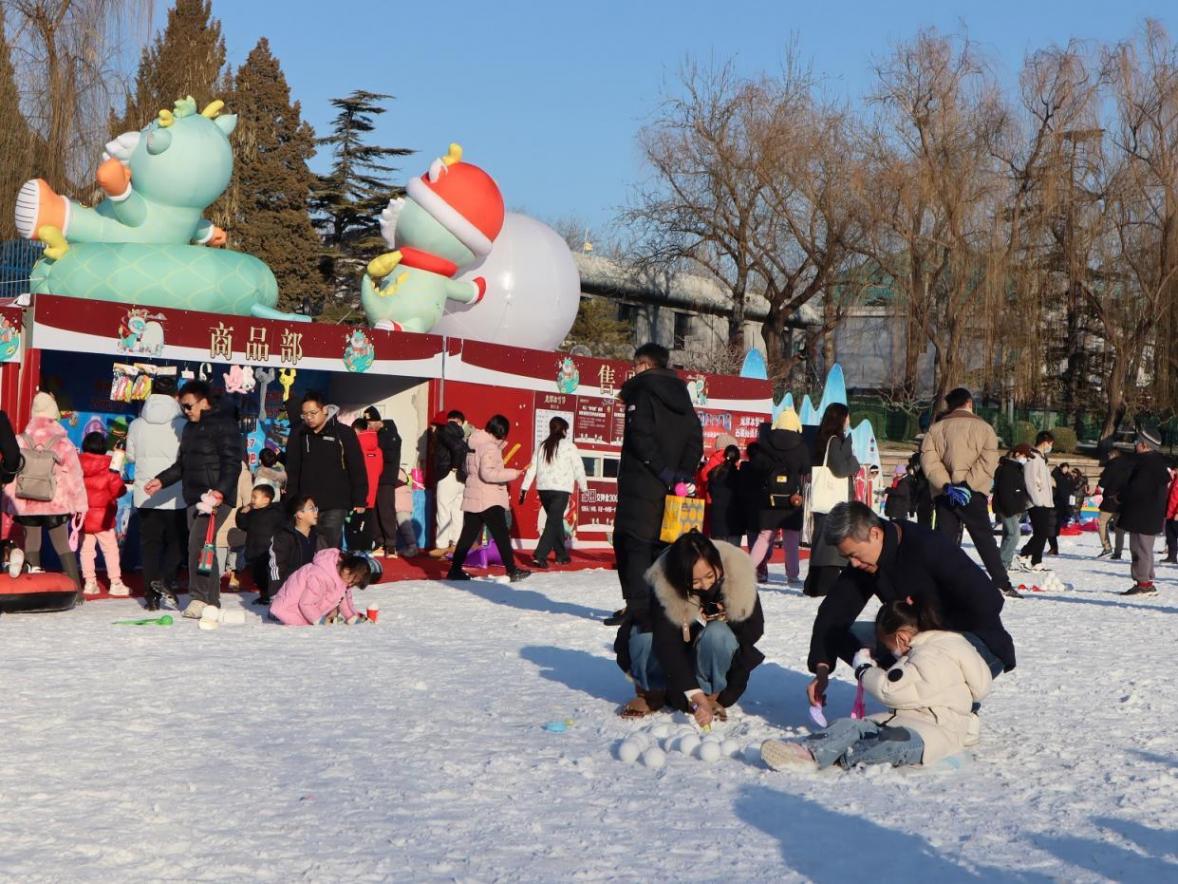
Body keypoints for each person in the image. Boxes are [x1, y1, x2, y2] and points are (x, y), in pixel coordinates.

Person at [804, 501, 1015, 717]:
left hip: (977, 644)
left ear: (875, 533)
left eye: (854, 555)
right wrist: (822, 668)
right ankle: (911, 694)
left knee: (924, 653)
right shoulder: (866, 561)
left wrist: (929, 632)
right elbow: (834, 612)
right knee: (843, 634)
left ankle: (952, 701)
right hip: (914, 644)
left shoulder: (928, 546)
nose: (854, 564)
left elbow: (988, 601)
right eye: (848, 557)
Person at [762, 597, 992, 771]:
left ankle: (827, 753)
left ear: (902, 637)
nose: (891, 652)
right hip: (906, 719)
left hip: (934, 733)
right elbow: (981, 685)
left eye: (888, 644)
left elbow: (891, 690)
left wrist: (864, 670)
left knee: (888, 743)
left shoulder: (924, 656)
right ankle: (810, 752)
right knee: (852, 726)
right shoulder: (956, 644)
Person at [613, 532, 763, 721]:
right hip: (672, 653)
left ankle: (709, 695)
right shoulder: (664, 581)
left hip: (708, 654)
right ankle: (651, 692)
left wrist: (725, 620)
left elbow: (755, 629)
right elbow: (666, 642)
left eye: (710, 575)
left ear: (718, 563)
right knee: (643, 633)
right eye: (695, 581)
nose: (706, 585)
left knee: (718, 634)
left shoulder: (737, 574)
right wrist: (693, 691)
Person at [607, 343, 703, 626]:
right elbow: (695, 436)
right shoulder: (682, 395)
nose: (633, 370)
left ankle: (637, 610)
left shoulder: (641, 390)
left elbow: (641, 437)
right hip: (672, 490)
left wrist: (661, 471)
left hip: (641, 484)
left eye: (636, 365)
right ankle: (658, 606)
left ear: (645, 365)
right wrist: (681, 475)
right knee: (660, 548)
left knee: (631, 544)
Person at [144, 380, 243, 619]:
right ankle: (212, 601)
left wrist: (220, 491)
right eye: (183, 408)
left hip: (216, 498)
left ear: (204, 401)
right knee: (205, 546)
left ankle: (198, 598)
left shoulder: (225, 425)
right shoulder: (189, 429)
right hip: (194, 496)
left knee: (197, 544)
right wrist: (162, 480)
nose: (186, 412)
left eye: (189, 406)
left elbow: (232, 463)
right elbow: (183, 465)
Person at [919, 388, 1012, 596]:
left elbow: (929, 462)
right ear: (969, 402)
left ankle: (940, 582)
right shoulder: (985, 428)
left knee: (945, 540)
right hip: (973, 493)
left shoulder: (936, 429)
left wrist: (946, 485)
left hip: (945, 494)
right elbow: (988, 461)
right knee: (984, 538)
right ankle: (1001, 582)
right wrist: (967, 485)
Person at [4, 392, 86, 590]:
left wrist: (7, 503)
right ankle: (76, 589)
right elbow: (76, 476)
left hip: (26, 502)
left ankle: (35, 588)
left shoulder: (20, 440)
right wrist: (80, 504)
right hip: (55, 504)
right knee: (62, 545)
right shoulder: (63, 442)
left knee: (32, 544)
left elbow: (11, 471)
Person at [125, 374, 186, 609]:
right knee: (177, 542)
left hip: (145, 492)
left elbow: (130, 456)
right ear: (175, 396)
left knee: (150, 545)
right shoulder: (182, 425)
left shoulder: (137, 424)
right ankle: (164, 579)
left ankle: (150, 597)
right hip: (175, 493)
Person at [446, 414, 530, 582]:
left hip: (474, 495)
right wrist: (514, 473)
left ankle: (455, 570)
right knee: (501, 536)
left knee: (467, 537)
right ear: (501, 431)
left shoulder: (473, 443)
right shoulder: (490, 448)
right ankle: (512, 570)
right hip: (489, 497)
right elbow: (488, 474)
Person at [285, 392, 367, 549]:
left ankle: (324, 573)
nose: (309, 418)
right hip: (307, 502)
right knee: (305, 544)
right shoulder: (299, 435)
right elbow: (293, 469)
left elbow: (357, 467)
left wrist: (359, 498)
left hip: (336, 502)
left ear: (325, 410)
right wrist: (292, 500)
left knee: (326, 544)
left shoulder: (343, 433)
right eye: (305, 414)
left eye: (313, 413)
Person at [749, 413, 811, 585]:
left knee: (765, 536)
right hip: (792, 499)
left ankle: (748, 571)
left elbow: (757, 466)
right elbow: (806, 468)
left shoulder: (766, 442)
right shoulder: (801, 445)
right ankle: (792, 575)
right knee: (791, 538)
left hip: (769, 498)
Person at [805, 403, 860, 599]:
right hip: (833, 500)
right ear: (840, 418)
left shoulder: (821, 439)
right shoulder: (834, 441)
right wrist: (854, 461)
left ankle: (814, 584)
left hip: (824, 500)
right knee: (830, 542)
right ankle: (823, 585)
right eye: (847, 416)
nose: (849, 420)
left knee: (822, 540)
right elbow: (841, 469)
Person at [520, 416, 588, 568]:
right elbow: (578, 468)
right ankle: (540, 555)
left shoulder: (542, 445)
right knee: (552, 522)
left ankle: (561, 555)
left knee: (554, 520)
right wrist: (584, 487)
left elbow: (532, 468)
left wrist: (524, 487)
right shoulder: (569, 446)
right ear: (564, 430)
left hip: (544, 489)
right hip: (561, 490)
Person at [1117, 429, 1171, 595]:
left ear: (1145, 445)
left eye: (1137, 442)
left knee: (1140, 548)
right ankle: (1145, 579)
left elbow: (1137, 488)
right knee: (1143, 548)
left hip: (1142, 513)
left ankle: (1144, 583)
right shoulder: (1155, 462)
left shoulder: (1147, 464)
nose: (1135, 445)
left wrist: (1121, 496)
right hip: (1148, 514)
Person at [78, 432, 129, 597]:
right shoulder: (110, 467)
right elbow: (119, 491)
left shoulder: (77, 464)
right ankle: (115, 583)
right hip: (103, 517)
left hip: (83, 515)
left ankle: (89, 582)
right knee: (110, 550)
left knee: (86, 550)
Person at [269, 548, 373, 626]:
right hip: (290, 610)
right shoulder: (320, 575)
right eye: (353, 581)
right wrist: (320, 620)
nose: (350, 585)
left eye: (354, 584)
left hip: (310, 611)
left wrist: (352, 617)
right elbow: (305, 603)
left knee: (334, 612)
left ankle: (326, 618)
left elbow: (344, 598)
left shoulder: (342, 578)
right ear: (347, 569)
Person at [362, 406, 403, 559]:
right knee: (373, 511)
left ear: (378, 420)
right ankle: (379, 541)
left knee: (386, 510)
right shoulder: (374, 434)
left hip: (386, 478)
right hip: (373, 477)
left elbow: (389, 456)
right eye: (367, 423)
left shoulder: (391, 434)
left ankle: (391, 544)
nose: (369, 426)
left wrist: (375, 448)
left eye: (371, 422)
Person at [235, 484, 285, 605]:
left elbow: (284, 523)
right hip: (253, 550)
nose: (251, 500)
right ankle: (264, 596)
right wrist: (242, 513)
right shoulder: (252, 513)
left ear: (266, 499)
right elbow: (242, 525)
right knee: (257, 576)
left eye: (254, 497)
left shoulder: (275, 513)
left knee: (269, 575)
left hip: (269, 551)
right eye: (252, 496)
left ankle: (273, 595)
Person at [430, 410, 469, 558]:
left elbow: (457, 449)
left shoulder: (442, 433)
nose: (432, 429)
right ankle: (456, 543)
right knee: (457, 512)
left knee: (443, 511)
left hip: (447, 477)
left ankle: (441, 546)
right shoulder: (459, 434)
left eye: (433, 426)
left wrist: (454, 466)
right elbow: (462, 448)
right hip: (460, 479)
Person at [269, 495, 328, 590]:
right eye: (311, 509)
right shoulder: (284, 537)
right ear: (299, 514)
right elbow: (277, 566)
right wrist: (276, 592)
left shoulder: (318, 536)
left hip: (313, 589)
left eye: (316, 508)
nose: (316, 513)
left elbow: (326, 564)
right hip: (290, 589)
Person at [1017, 431, 1056, 571]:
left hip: (1045, 501)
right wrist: (1037, 500)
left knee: (1043, 532)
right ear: (1045, 442)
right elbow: (1030, 481)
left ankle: (1036, 560)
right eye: (1050, 443)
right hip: (1036, 502)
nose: (1051, 446)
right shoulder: (1033, 458)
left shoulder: (1042, 458)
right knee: (1041, 532)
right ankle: (1025, 553)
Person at [993, 444, 1032, 573]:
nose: (1026, 459)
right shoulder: (1006, 469)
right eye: (1025, 456)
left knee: (1008, 534)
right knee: (1014, 535)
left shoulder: (1016, 468)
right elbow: (1004, 492)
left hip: (1015, 507)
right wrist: (1010, 508)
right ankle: (1002, 563)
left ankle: (1005, 562)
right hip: (1007, 508)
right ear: (1016, 454)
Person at [350, 414, 384, 554]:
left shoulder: (356, 448)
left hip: (357, 493)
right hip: (372, 493)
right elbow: (380, 470)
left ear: (357, 430)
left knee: (355, 524)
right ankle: (365, 550)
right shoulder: (378, 450)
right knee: (367, 524)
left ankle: (355, 550)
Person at [1095, 448, 1131, 560]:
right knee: (1119, 527)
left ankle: (1107, 547)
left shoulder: (1111, 465)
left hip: (1110, 500)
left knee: (1101, 523)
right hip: (1123, 500)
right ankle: (1118, 552)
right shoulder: (1129, 465)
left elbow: (1103, 482)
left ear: (1112, 455)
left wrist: (1102, 477)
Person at [705, 445, 743, 547]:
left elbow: (710, 491)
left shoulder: (714, 473)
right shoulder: (739, 475)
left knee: (717, 556)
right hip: (734, 522)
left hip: (716, 520)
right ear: (738, 458)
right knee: (733, 557)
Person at [1048, 460, 1074, 555]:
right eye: (1064, 468)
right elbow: (1053, 474)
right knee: (1051, 528)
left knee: (1053, 527)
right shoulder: (1057, 476)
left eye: (1067, 468)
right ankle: (1053, 548)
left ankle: (1054, 548)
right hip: (1055, 504)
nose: (1065, 470)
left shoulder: (1069, 477)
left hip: (1063, 504)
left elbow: (1072, 489)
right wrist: (1056, 467)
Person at [908, 452, 933, 527]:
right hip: (926, 503)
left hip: (925, 504)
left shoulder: (921, 475)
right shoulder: (923, 472)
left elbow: (918, 489)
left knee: (924, 525)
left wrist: (912, 506)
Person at [1163, 466, 1178, 565]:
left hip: (1175, 513)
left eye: (1176, 469)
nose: (1174, 470)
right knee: (1170, 536)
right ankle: (1172, 556)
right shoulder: (1174, 479)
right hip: (1170, 512)